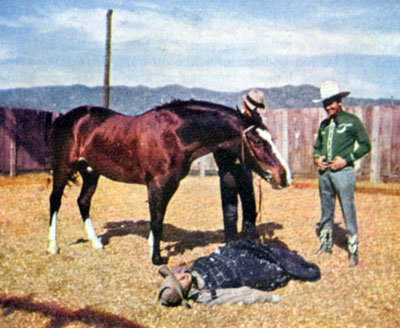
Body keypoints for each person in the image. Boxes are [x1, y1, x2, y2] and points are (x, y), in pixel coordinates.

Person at [312, 80, 371, 267]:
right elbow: (318, 147)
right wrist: (317, 159)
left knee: (348, 208)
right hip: (325, 174)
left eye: (332, 102)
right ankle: (326, 244)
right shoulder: (324, 125)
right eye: (325, 103)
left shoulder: (352, 121)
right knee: (326, 209)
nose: (328, 106)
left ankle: (353, 249)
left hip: (343, 172)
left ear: (339, 101)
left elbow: (365, 145)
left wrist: (347, 160)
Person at [157, 240, 321, 307]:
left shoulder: (189, 271)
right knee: (283, 269)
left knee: (266, 250)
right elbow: (241, 294)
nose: (181, 277)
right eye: (179, 283)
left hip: (233, 252)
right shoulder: (206, 295)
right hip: (246, 270)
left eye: (175, 276)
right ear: (184, 293)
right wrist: (271, 298)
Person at [213, 89, 267, 243]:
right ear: (244, 104)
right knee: (230, 209)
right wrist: (224, 168)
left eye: (257, 108)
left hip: (245, 170)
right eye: (252, 108)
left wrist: (259, 173)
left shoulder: (257, 122)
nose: (254, 111)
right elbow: (218, 147)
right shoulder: (229, 121)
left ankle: (249, 239)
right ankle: (231, 242)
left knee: (249, 206)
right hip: (228, 170)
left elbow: (260, 149)